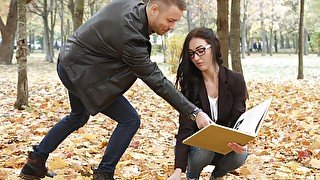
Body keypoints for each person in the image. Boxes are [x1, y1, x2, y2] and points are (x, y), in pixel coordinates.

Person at [19, 1, 214, 180]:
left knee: (78, 116)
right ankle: (104, 173)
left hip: (71, 61)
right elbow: (157, 81)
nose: (171, 27)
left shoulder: (133, 7)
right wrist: (194, 112)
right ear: (154, 9)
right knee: (130, 120)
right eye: (170, 20)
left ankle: (34, 163)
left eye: (175, 22)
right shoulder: (131, 37)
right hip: (80, 71)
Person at [168, 27, 248, 180]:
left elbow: (239, 119)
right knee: (205, 149)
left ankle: (216, 176)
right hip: (198, 150)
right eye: (192, 54)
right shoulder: (190, 85)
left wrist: (242, 142)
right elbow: (185, 129)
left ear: (214, 46)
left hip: (226, 146)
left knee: (241, 153)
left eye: (201, 50)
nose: (197, 58)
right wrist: (178, 170)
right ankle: (192, 176)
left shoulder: (235, 80)